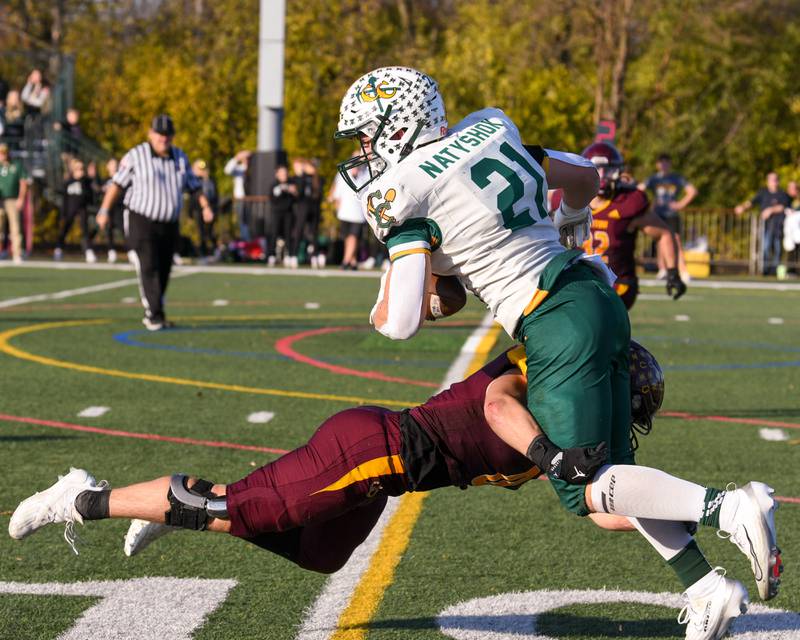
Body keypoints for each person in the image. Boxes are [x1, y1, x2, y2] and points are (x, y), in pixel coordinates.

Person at [334, 66, 780, 639]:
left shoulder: (401, 191)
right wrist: (571, 220)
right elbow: (585, 177)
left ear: (400, 125)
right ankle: (708, 589)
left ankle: (729, 508)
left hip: (552, 317)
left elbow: (399, 325)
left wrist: (391, 296)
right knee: (616, 481)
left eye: (369, 135)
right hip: (593, 289)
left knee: (585, 488)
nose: (366, 152)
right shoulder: (489, 127)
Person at [8, 341, 658, 565]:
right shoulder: (539, 381)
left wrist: (682, 517)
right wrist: (548, 454)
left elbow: (601, 509)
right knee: (243, 508)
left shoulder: (573, 433)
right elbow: (497, 407)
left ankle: (183, 509)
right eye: (627, 406)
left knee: (321, 554)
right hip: (378, 448)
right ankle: (82, 497)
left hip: (387, 478)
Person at [96, 114, 215, 330]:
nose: (164, 139)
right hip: (142, 219)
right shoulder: (136, 155)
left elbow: (193, 185)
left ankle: (155, 310)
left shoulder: (179, 157)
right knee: (148, 264)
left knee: (164, 268)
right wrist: (104, 209)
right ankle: (154, 314)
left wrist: (205, 206)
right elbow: (117, 184)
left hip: (169, 222)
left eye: (168, 135)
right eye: (160, 134)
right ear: (151, 134)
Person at [553, 141, 686, 308]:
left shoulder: (628, 202)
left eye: (607, 170)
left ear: (618, 172)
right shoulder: (565, 197)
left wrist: (673, 273)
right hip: (578, 280)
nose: (602, 175)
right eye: (596, 169)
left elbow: (664, 234)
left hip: (617, 284)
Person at [641, 153, 697, 280]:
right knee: (661, 241)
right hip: (658, 214)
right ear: (657, 164)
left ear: (670, 164)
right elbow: (639, 190)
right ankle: (663, 269)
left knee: (675, 239)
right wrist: (648, 204)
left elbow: (692, 191)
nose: (664, 165)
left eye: (666, 162)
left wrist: (681, 204)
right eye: (661, 162)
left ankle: (683, 271)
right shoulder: (653, 179)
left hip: (671, 214)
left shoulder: (676, 178)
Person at [734, 172, 790, 276]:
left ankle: (775, 270)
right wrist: (742, 207)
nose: (773, 182)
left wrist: (771, 210)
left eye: (775, 180)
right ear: (768, 182)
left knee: (777, 248)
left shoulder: (782, 194)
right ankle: (765, 270)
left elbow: (783, 206)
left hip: (778, 226)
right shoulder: (763, 193)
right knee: (765, 247)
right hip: (766, 226)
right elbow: (751, 202)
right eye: (771, 180)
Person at [328, 153, 365, 270]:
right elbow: (337, 192)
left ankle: (345, 260)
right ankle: (353, 262)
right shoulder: (343, 174)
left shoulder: (366, 174)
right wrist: (334, 201)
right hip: (345, 211)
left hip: (359, 213)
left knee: (353, 237)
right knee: (348, 238)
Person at [55, 158, 96, 262]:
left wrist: (83, 180)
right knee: (65, 228)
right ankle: (59, 249)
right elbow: (64, 198)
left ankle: (88, 251)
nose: (80, 170)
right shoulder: (68, 182)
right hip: (70, 208)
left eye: (81, 168)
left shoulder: (86, 181)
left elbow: (90, 196)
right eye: (77, 168)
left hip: (82, 208)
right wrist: (63, 213)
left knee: (85, 229)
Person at [0, 142, 29, 264]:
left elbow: (23, 182)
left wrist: (21, 199)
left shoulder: (16, 165)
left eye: (3, 153)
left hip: (12, 199)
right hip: (0, 200)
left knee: (15, 228)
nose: (2, 155)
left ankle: (17, 254)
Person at [189, 159, 218, 260]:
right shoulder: (193, 180)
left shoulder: (209, 180)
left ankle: (210, 251)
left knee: (209, 231)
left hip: (209, 209)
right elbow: (194, 195)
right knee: (199, 231)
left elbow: (214, 195)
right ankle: (201, 252)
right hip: (197, 210)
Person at [269, 165, 297, 266]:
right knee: (274, 233)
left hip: (288, 213)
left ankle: (289, 255)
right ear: (277, 174)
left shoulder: (291, 183)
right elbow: (272, 199)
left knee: (288, 234)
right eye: (281, 173)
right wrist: (280, 189)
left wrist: (292, 191)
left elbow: (296, 197)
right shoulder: (274, 185)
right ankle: (271, 256)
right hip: (277, 212)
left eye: (285, 173)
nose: (284, 175)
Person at [224, 150, 251, 241]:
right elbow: (227, 170)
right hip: (241, 198)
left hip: (252, 199)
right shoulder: (239, 169)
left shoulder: (254, 169)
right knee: (242, 221)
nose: (246, 160)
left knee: (250, 221)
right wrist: (237, 157)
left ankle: (250, 240)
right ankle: (245, 240)